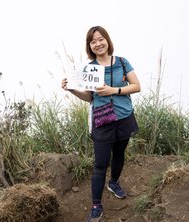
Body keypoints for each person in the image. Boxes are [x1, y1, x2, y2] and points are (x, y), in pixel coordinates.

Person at [61, 26, 141, 222]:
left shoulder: (122, 62)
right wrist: (71, 90)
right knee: (100, 163)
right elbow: (90, 98)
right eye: (93, 41)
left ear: (107, 40)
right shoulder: (89, 69)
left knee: (119, 155)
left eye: (100, 39)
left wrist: (113, 90)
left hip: (124, 117)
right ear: (89, 46)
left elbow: (137, 86)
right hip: (102, 119)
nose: (98, 43)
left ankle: (113, 183)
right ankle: (96, 206)